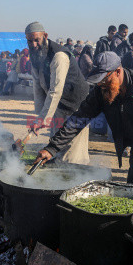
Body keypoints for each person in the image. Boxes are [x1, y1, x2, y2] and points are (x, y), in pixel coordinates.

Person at [34, 51, 133, 188]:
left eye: (105, 79)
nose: (102, 84)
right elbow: (79, 119)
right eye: (99, 80)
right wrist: (52, 148)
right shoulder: (102, 91)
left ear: (117, 71)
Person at [25, 21, 90, 164]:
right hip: (58, 106)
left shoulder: (59, 55)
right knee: (55, 142)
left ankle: (77, 177)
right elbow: (38, 84)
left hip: (75, 105)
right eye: (30, 41)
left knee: (72, 151)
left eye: (37, 40)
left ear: (45, 36)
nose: (34, 44)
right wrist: (40, 116)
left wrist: (42, 118)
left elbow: (56, 90)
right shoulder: (35, 55)